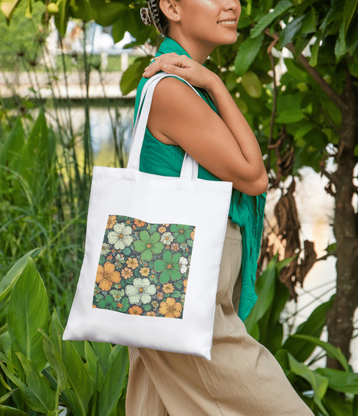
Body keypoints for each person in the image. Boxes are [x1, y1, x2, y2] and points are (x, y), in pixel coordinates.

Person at [125, 0, 315, 415]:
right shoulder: (174, 88)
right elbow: (253, 175)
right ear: (171, 7)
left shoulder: (180, 82)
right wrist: (216, 84)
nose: (233, 4)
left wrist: (210, 83)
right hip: (181, 275)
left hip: (162, 271)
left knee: (153, 405)